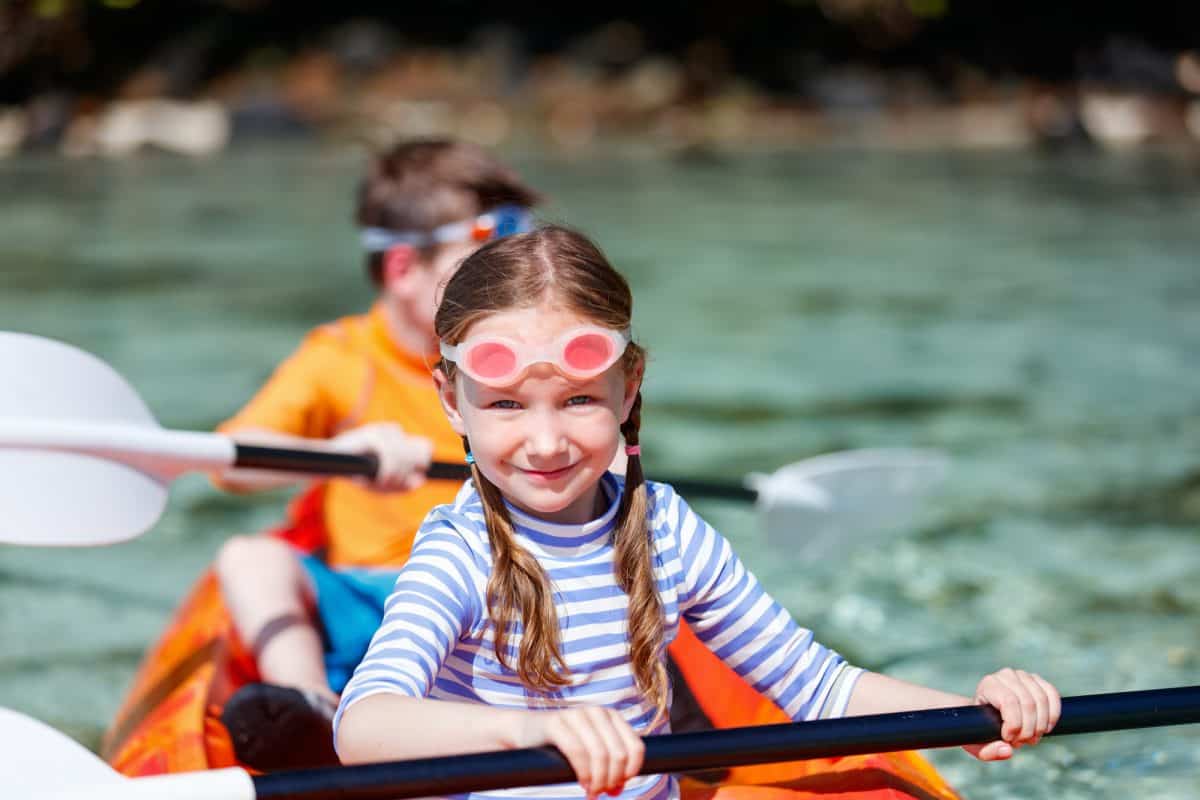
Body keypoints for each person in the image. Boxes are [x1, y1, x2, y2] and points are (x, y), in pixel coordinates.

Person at [333, 226, 1062, 799]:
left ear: (629, 384)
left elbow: (816, 686)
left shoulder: (666, 529)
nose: (546, 441)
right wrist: (535, 732)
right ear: (448, 401)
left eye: (580, 399)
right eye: (506, 406)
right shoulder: (460, 553)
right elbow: (363, 725)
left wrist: (968, 714)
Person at [211, 138, 543, 770]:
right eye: (484, 267)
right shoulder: (342, 358)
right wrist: (341, 451)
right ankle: (311, 707)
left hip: (493, 597)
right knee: (248, 557)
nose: (514, 289)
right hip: (366, 600)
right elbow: (232, 462)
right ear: (401, 270)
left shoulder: (521, 359)